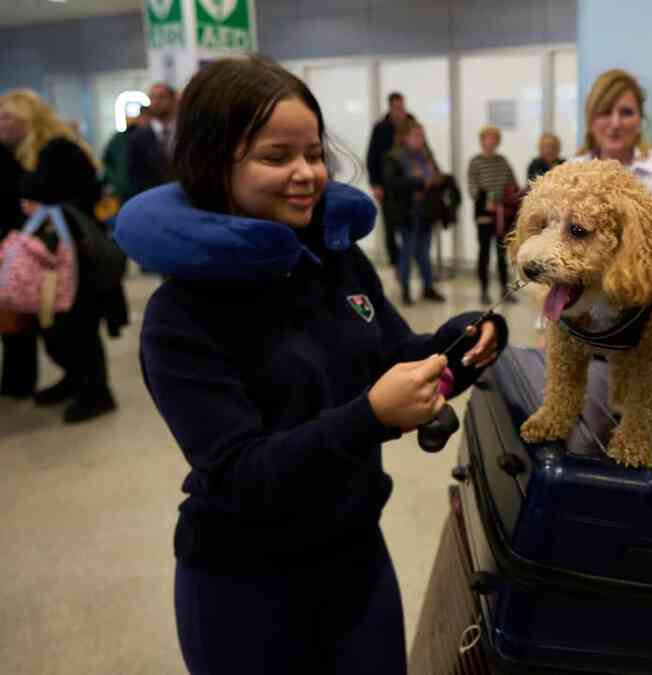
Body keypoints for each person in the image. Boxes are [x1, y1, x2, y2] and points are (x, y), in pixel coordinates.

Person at [113, 55, 508, 674]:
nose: (306, 174)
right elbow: (242, 472)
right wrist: (370, 418)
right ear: (214, 164)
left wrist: (463, 345)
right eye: (276, 157)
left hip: (356, 560)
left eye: (315, 153)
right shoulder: (179, 316)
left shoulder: (338, 260)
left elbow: (393, 357)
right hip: (246, 588)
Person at [0, 89, 119, 423]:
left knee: (75, 327)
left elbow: (76, 194)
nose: (1, 123)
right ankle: (74, 382)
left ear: (30, 118)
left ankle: (96, 394)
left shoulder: (58, 150)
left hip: (71, 255)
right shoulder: (25, 154)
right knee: (55, 328)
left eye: (9, 116)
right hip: (48, 255)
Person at [570, 68, 652, 258]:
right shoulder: (571, 172)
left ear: (640, 119)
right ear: (591, 120)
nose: (615, 123)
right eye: (605, 112)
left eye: (626, 112)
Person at [382, 119, 445, 305]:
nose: (420, 139)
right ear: (404, 137)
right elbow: (392, 184)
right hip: (407, 213)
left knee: (424, 252)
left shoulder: (426, 156)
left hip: (426, 211)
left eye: (421, 135)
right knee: (407, 252)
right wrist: (418, 182)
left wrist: (436, 180)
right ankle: (405, 290)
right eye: (416, 135)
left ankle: (428, 287)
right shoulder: (393, 158)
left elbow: (437, 176)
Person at [0, 115, 34, 399]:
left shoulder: (13, 157)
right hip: (13, 243)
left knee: (14, 317)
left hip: (12, 246)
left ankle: (17, 381)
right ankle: (16, 380)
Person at [467, 126, 519, 305]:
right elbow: (472, 187)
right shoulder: (475, 162)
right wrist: (486, 202)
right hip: (484, 215)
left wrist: (510, 199)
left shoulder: (502, 161)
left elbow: (513, 184)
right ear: (482, 140)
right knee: (484, 253)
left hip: (502, 216)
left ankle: (504, 289)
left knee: (501, 253)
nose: (490, 141)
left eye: (494, 138)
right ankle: (483, 290)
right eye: (487, 138)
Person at [367, 92, 420, 267]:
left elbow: (422, 147)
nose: (401, 111)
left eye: (402, 107)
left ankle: (412, 258)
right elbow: (372, 157)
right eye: (397, 108)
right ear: (390, 108)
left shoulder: (411, 123)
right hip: (387, 184)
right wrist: (375, 184)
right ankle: (395, 261)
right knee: (390, 225)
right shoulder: (380, 128)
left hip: (410, 183)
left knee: (412, 224)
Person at [126, 82, 177, 198]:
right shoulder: (137, 138)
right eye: (152, 97)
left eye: (161, 97)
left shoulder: (185, 133)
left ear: (173, 100)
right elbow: (134, 177)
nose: (156, 102)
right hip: (151, 198)